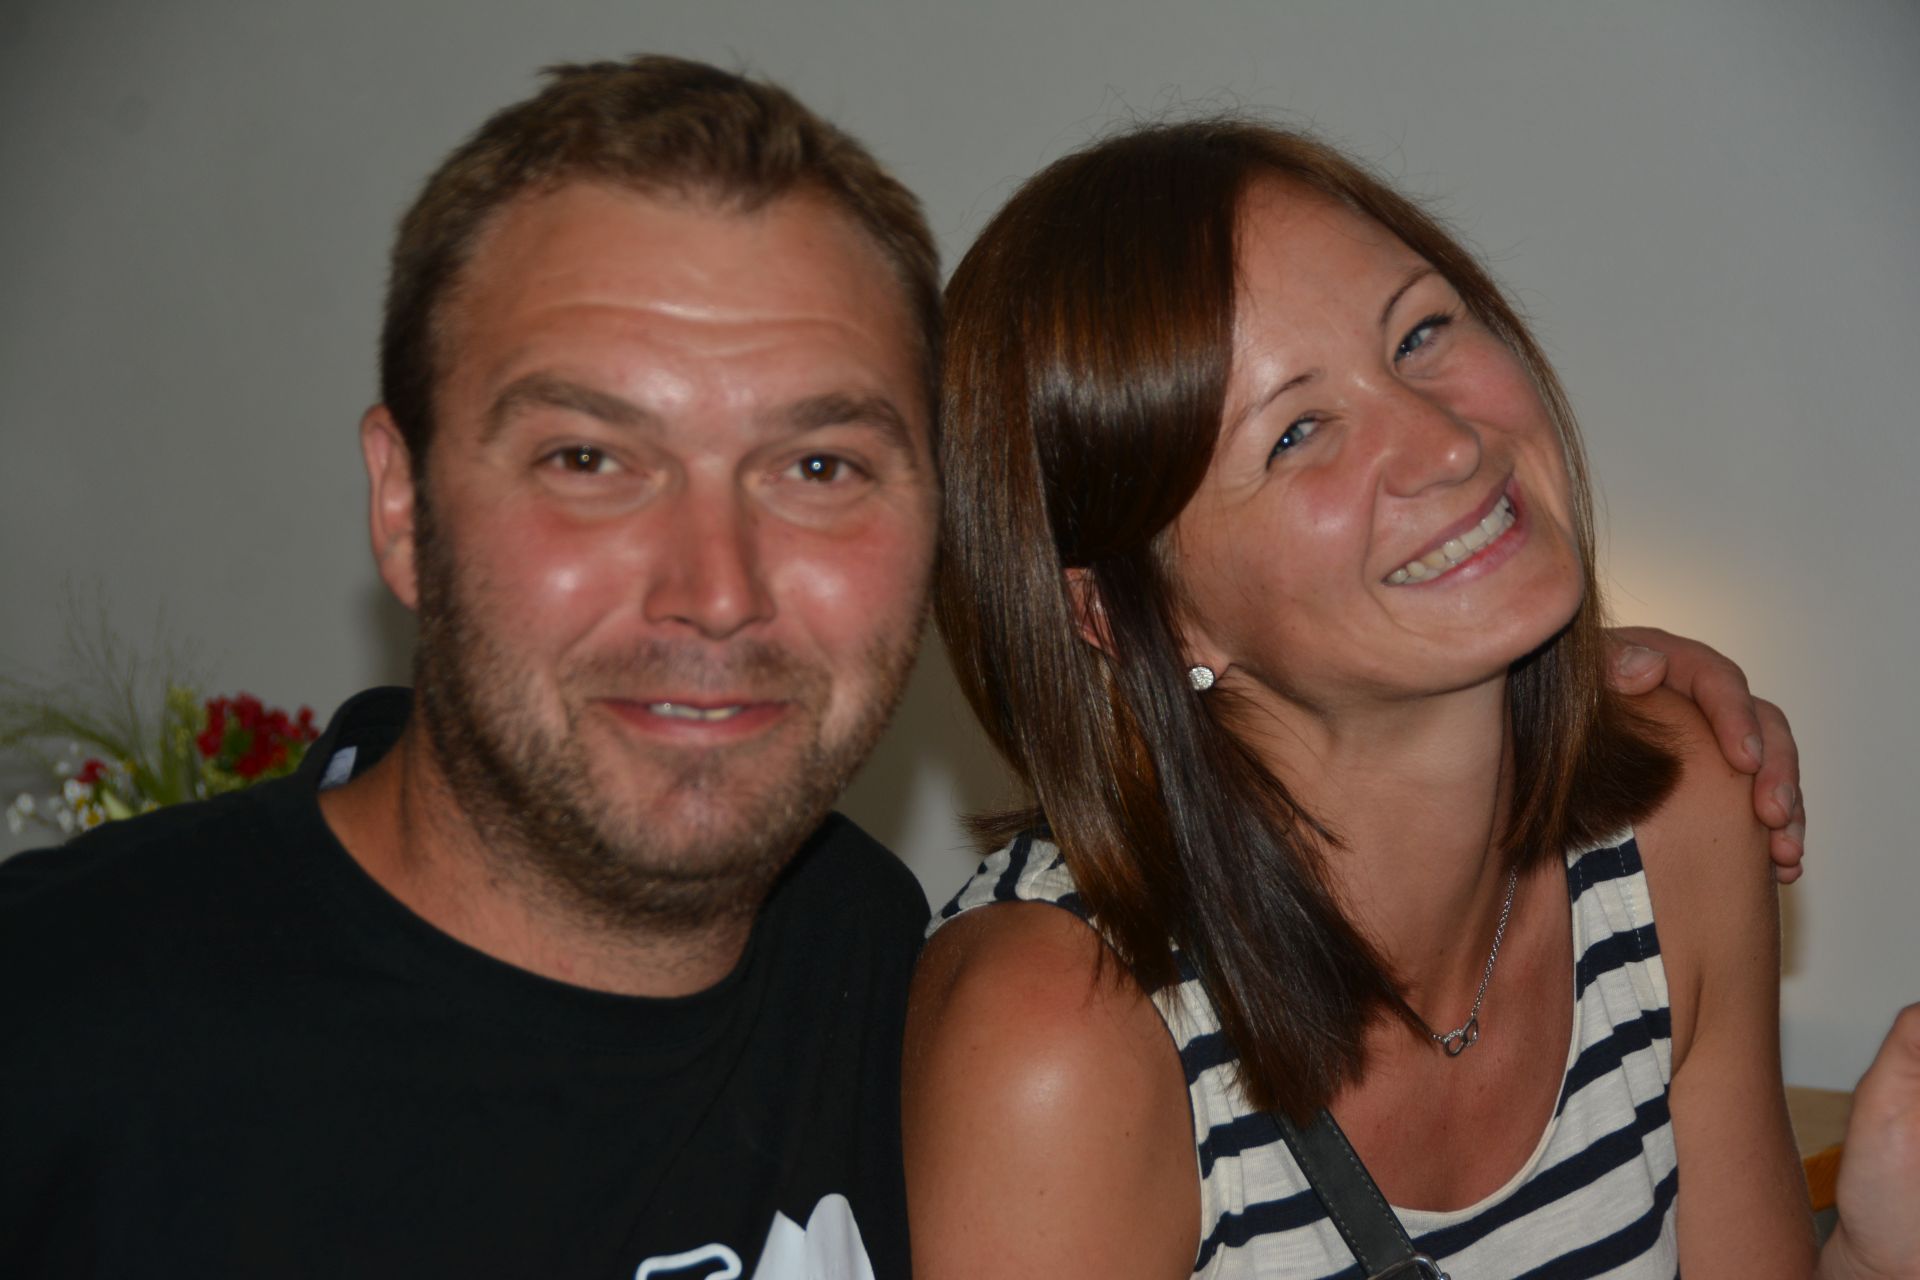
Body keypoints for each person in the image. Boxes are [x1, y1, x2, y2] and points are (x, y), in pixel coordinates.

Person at [0, 61, 1805, 1277]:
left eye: (819, 464)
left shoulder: (857, 965)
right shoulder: (70, 1036)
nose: (716, 590)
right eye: (590, 457)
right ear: (403, 507)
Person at [905, 119, 1917, 1279]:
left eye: (1421, 332)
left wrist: (1878, 1254)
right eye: (1296, 432)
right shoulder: (1060, 1037)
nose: (1446, 444)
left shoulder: (1676, 823)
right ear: (1126, 614)